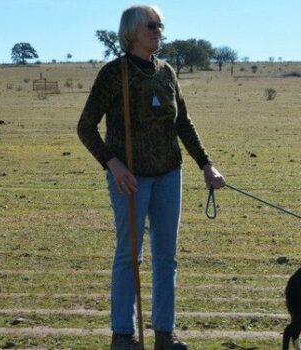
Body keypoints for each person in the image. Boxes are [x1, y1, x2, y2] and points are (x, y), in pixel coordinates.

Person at [77, 5, 225, 350]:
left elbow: (183, 123)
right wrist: (112, 163)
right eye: (151, 25)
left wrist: (206, 164)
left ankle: (164, 334)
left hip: (169, 175)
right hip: (129, 178)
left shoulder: (167, 71)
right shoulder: (114, 73)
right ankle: (123, 336)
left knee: (166, 256)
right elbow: (86, 127)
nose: (159, 30)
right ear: (131, 31)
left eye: (160, 25)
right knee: (130, 255)